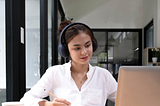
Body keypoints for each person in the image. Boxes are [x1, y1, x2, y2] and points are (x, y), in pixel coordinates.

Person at [20, 20, 117, 106]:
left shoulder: (103, 76)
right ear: (66, 50)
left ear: (93, 44)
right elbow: (25, 100)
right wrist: (47, 104)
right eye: (77, 48)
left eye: (87, 45)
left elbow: (127, 100)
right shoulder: (54, 73)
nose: (84, 52)